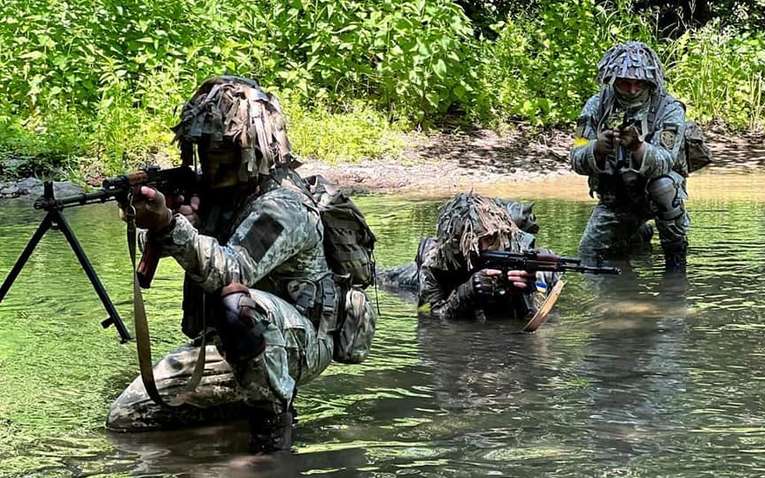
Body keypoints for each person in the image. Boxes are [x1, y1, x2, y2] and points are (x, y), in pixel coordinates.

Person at [106, 76, 376, 454]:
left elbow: (232, 271)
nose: (210, 158)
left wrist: (170, 224)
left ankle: (272, 430)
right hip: (233, 340)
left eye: (222, 148)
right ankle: (239, 409)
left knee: (237, 303)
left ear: (251, 146)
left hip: (300, 340)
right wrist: (166, 221)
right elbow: (178, 249)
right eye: (203, 146)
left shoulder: (283, 206)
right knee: (127, 417)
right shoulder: (221, 195)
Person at [570, 41, 690, 272]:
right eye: (625, 83)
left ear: (650, 82)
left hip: (656, 193)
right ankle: (636, 234)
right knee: (590, 255)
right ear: (613, 80)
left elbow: (665, 161)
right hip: (615, 195)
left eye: (639, 83)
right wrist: (597, 148)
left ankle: (675, 258)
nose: (632, 90)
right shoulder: (596, 105)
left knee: (664, 186)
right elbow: (576, 157)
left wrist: (638, 147)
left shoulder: (669, 108)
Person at [414, 193, 559, 321]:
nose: (483, 248)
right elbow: (428, 315)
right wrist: (467, 292)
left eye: (490, 239)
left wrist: (524, 291)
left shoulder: (515, 251)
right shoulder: (436, 260)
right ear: (456, 240)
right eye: (473, 241)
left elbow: (537, 317)